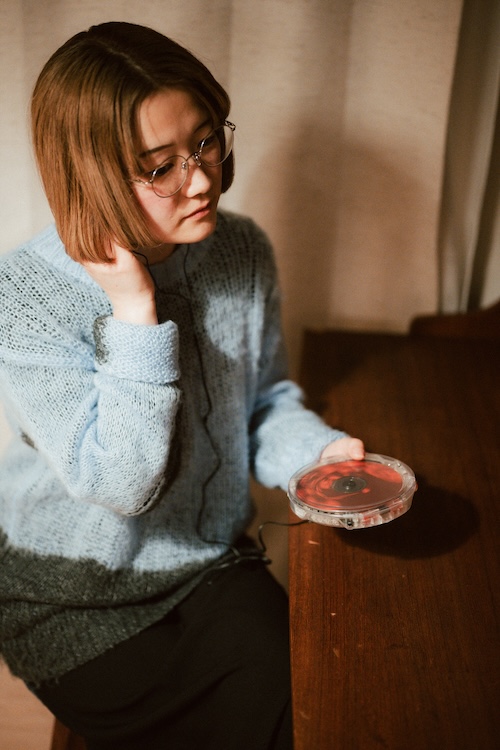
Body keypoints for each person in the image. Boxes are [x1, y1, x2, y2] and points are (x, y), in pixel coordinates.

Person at [0, 21, 364, 750]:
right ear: (94, 175)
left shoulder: (242, 249)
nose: (199, 180)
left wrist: (317, 458)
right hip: (69, 596)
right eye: (159, 166)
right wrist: (135, 311)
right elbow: (122, 485)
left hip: (206, 564)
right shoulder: (27, 293)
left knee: (323, 687)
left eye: (204, 142)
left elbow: (263, 403)